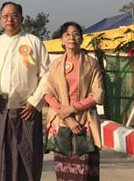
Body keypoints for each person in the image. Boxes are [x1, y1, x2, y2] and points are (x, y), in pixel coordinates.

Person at [0, 1, 51, 181]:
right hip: (1, 109)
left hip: (26, 109)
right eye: (5, 16)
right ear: (0, 20)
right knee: (4, 156)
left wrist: (34, 102)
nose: (10, 20)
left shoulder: (33, 42)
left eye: (14, 16)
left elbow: (47, 74)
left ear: (21, 19)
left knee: (29, 156)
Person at [44, 21, 104, 181]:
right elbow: (48, 93)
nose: (71, 37)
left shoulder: (91, 64)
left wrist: (72, 109)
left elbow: (98, 94)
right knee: (63, 171)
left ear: (81, 39)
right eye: (67, 34)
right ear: (61, 40)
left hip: (85, 122)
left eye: (76, 34)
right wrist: (67, 117)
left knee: (86, 170)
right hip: (62, 122)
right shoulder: (56, 65)